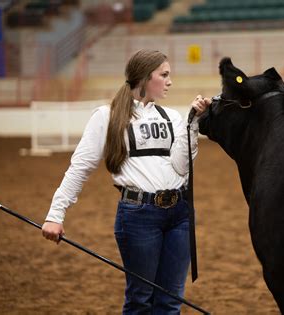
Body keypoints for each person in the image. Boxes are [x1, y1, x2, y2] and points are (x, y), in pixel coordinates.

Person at [41, 49, 211, 314]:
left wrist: (192, 124)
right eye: (164, 75)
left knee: (170, 301)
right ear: (145, 77)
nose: (170, 81)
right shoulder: (106, 116)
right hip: (138, 216)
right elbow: (80, 168)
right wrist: (55, 213)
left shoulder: (173, 117)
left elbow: (181, 166)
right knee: (140, 300)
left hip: (180, 214)